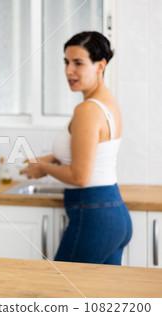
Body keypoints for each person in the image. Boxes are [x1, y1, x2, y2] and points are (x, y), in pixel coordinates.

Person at [20, 31, 132, 265]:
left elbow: (80, 177)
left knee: (60, 289)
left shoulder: (87, 110)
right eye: (66, 62)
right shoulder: (107, 102)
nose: (69, 71)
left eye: (78, 63)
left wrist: (44, 167)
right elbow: (93, 151)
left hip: (93, 215)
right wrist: (51, 158)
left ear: (100, 65)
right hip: (114, 211)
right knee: (98, 298)